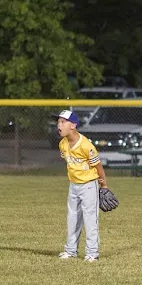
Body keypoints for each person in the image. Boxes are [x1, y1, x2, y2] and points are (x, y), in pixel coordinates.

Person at [53, 109, 108, 262]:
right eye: (58, 122)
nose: (59, 125)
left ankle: (92, 253)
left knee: (90, 219)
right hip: (74, 185)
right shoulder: (62, 144)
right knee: (72, 218)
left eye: (63, 122)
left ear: (73, 125)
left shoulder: (86, 146)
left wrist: (104, 186)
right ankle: (71, 250)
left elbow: (98, 167)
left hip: (89, 185)